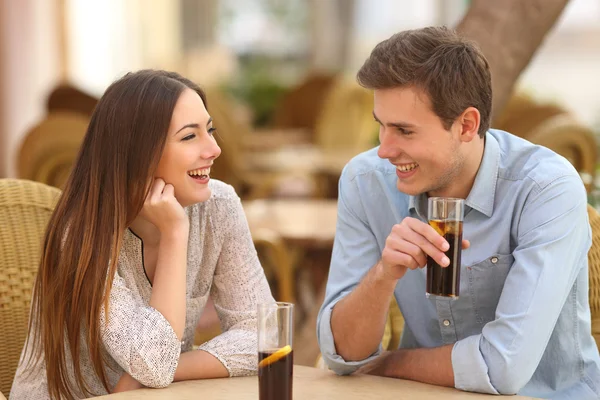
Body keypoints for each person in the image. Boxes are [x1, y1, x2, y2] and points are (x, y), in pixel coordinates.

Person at [317, 26, 600, 399]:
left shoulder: (546, 188)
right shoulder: (365, 181)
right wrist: (384, 275)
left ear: (466, 125)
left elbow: (503, 369)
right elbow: (342, 355)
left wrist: (388, 364)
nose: (384, 150)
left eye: (404, 130)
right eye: (380, 126)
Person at [10, 70, 275, 399]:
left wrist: (153, 375)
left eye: (210, 131)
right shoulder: (80, 233)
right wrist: (175, 233)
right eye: (189, 137)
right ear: (140, 153)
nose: (214, 149)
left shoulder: (218, 207)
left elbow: (265, 334)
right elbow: (154, 362)